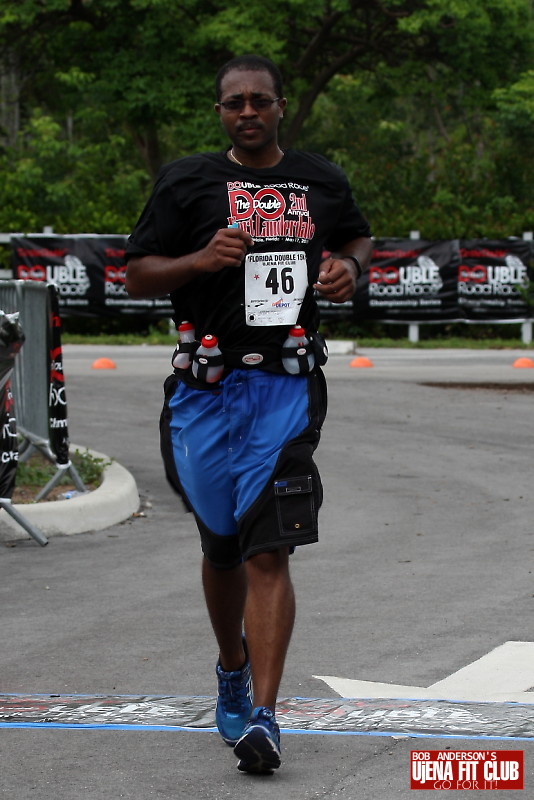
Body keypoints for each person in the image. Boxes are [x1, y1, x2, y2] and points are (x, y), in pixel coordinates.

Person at [125, 54, 372, 774]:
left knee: (270, 551)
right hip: (205, 392)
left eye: (260, 100)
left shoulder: (319, 180)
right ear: (220, 112)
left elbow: (357, 236)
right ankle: (230, 666)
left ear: (280, 106)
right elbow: (137, 273)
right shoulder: (186, 181)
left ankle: (264, 715)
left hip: (286, 392)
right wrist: (200, 260)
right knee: (224, 547)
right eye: (235, 102)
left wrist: (350, 267)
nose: (248, 112)